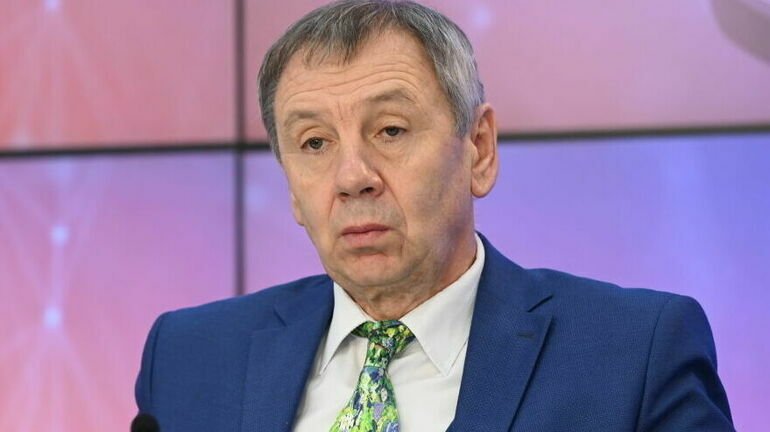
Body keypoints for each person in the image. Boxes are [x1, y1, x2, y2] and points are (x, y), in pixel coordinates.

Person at [135, 1, 734, 431]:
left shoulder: (633, 353)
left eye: (391, 130)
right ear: (290, 185)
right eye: (314, 143)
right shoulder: (190, 357)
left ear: (479, 149)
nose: (352, 177)